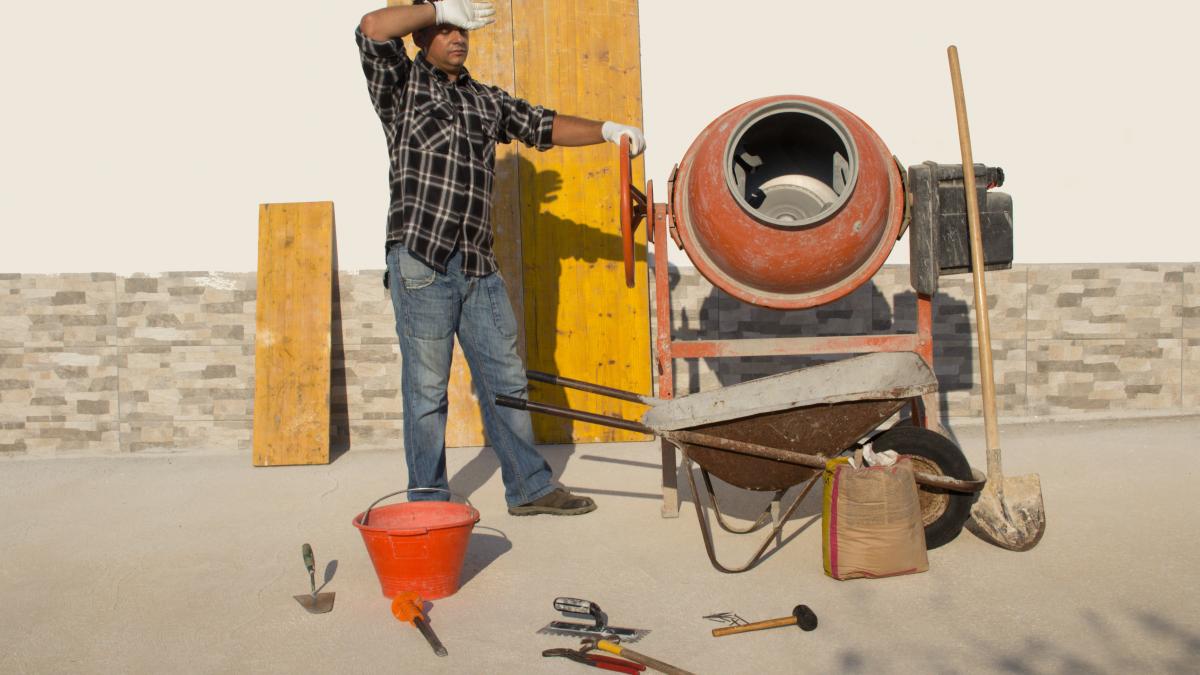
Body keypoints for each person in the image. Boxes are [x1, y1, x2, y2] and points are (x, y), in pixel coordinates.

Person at [356, 0, 645, 516]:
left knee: (506, 381)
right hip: (421, 262)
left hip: (478, 268)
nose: (457, 37)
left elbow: (544, 125)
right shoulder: (402, 87)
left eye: (461, 31)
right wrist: (436, 8)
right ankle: (427, 498)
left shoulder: (486, 101)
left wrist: (607, 130)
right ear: (423, 37)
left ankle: (530, 488)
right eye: (444, 31)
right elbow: (373, 28)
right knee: (426, 391)